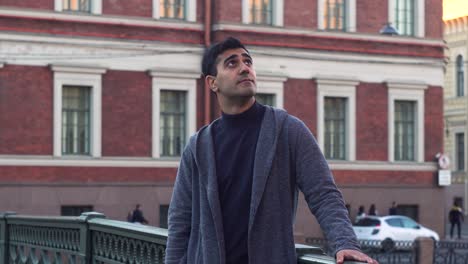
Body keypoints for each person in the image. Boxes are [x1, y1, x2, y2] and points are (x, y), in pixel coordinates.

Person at [165, 37, 377, 264]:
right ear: (212, 83)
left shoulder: (286, 129)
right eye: (231, 63)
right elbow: (180, 221)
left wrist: (345, 242)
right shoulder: (198, 147)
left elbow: (323, 193)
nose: (244, 68)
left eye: (248, 62)